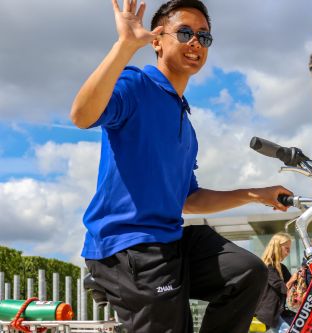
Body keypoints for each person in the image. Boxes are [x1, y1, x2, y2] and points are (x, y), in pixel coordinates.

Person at [69, 1, 292, 332]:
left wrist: (256, 193)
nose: (196, 43)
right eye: (185, 32)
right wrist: (124, 47)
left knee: (249, 271)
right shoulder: (137, 84)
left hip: (170, 241)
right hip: (130, 246)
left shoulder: (185, 124)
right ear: (156, 40)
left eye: (204, 36)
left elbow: (189, 199)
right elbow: (81, 115)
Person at [255, 232, 295, 333]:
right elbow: (280, 286)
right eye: (287, 248)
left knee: (305, 325)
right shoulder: (267, 266)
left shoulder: (282, 268)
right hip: (269, 314)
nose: (288, 252)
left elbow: (292, 286)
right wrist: (293, 279)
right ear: (277, 247)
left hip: (279, 313)